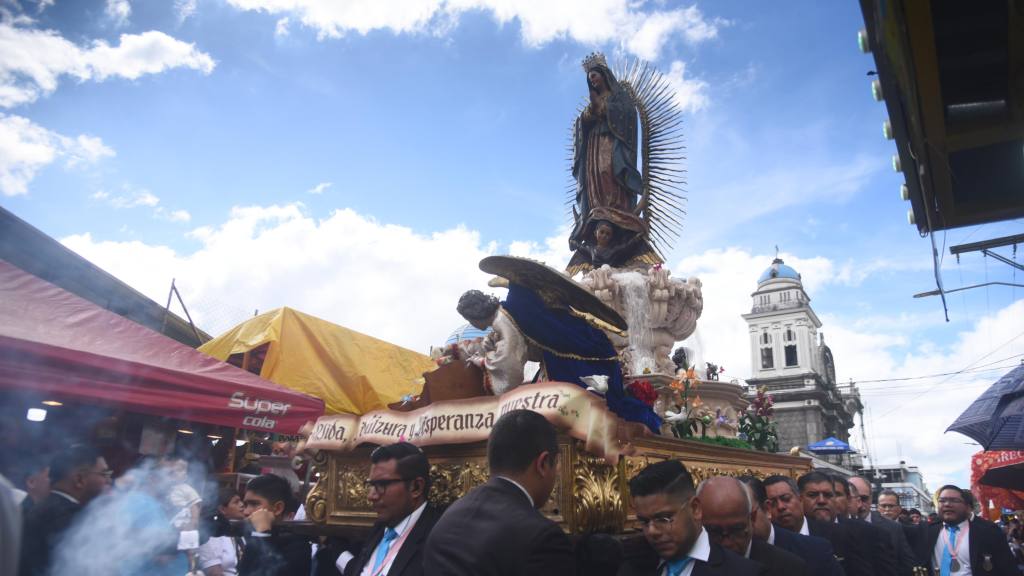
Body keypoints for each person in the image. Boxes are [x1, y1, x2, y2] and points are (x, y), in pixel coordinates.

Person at [423, 409, 574, 575]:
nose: (557, 473)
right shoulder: (542, 539)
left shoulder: (447, 520)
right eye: (557, 464)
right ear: (543, 464)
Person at [622, 461, 761, 575]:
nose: (652, 531)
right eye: (644, 522)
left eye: (663, 519)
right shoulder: (632, 563)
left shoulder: (745, 572)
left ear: (695, 509)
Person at [336, 442, 440, 576]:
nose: (371, 496)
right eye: (371, 485)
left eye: (381, 485)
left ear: (416, 487)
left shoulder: (438, 540)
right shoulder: (380, 527)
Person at [19, 445, 111, 576]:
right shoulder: (75, 519)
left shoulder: (41, 509)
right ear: (80, 480)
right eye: (104, 474)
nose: (109, 480)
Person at [764, 473, 874, 576]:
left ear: (799, 499)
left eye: (786, 499)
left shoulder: (844, 535)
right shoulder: (766, 541)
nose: (781, 507)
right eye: (812, 495)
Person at [697, 476, 808, 576]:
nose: (727, 543)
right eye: (714, 531)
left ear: (752, 518)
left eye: (736, 529)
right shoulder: (692, 562)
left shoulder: (788, 568)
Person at [738, 475, 842, 576]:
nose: (781, 507)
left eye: (786, 499)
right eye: (774, 503)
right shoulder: (735, 549)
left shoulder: (819, 547)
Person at [915, 485, 1018, 575]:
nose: (947, 504)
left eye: (954, 500)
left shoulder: (989, 531)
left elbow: (1008, 569)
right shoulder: (927, 530)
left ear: (968, 507)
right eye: (942, 500)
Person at [455, 290, 531, 395]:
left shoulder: (501, 322)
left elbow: (508, 363)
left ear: (474, 315)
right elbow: (489, 345)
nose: (471, 324)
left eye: (469, 320)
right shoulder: (499, 318)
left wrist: (482, 362)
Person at [237, 474, 311, 576]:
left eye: (254, 504)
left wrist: (262, 534)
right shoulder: (252, 534)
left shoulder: (297, 546)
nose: (246, 511)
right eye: (246, 505)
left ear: (278, 508)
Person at [849, 477, 918, 576]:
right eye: (853, 499)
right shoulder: (836, 527)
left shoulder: (893, 528)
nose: (859, 504)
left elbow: (907, 565)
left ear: (871, 498)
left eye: (864, 498)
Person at [198, 487, 246, 576]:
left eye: (241, 501)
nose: (242, 504)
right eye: (236, 502)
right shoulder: (211, 535)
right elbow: (214, 573)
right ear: (222, 509)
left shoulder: (241, 531)